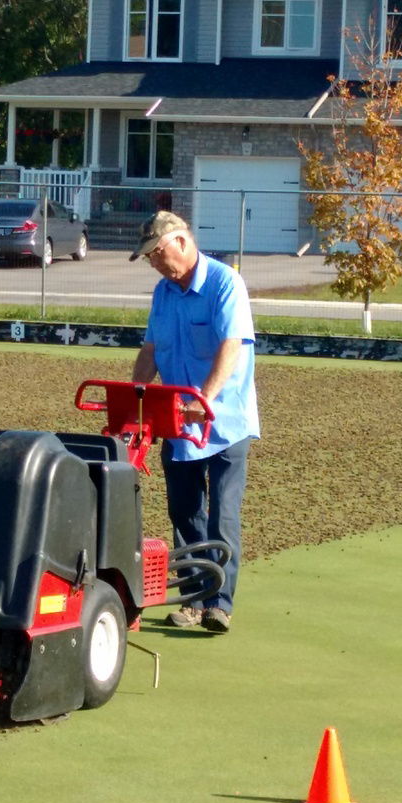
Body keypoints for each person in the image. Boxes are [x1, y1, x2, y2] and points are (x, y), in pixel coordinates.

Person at [128, 211, 260, 634]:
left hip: (225, 422)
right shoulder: (163, 293)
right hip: (177, 422)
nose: (154, 263)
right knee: (184, 512)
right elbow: (151, 348)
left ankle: (219, 603)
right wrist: (135, 398)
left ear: (182, 243)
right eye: (149, 257)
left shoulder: (225, 283)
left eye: (156, 253)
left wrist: (206, 398)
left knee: (222, 515)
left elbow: (231, 345)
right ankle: (192, 599)